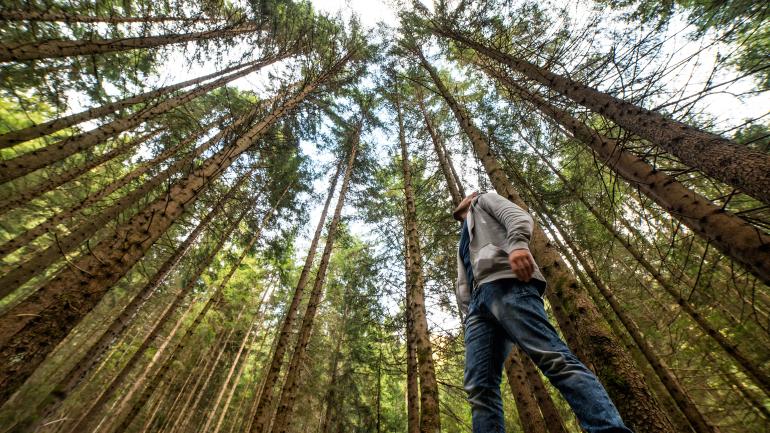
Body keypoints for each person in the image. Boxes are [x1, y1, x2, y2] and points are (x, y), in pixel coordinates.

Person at [454, 191, 633, 433]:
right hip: (477, 307)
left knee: (553, 358)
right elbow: (465, 276)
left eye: (464, 199)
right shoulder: (464, 234)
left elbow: (517, 216)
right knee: (479, 387)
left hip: (506, 283)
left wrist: (517, 245)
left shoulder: (484, 200)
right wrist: (468, 310)